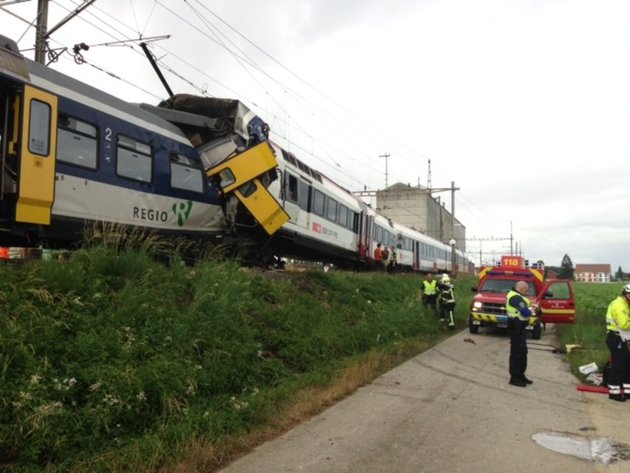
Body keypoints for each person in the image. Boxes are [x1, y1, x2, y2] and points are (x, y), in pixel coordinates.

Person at [505, 281, 535, 387]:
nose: (526, 292)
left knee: (523, 351)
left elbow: (525, 309)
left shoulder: (518, 296)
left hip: (520, 327)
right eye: (526, 290)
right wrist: (532, 310)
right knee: (517, 352)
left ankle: (521, 375)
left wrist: (531, 308)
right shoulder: (515, 297)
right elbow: (525, 312)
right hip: (516, 326)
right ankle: (514, 378)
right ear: (521, 288)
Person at [605, 284, 630, 402]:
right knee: (618, 366)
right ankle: (614, 393)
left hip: (621, 338)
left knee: (626, 364)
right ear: (626, 294)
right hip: (616, 338)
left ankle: (627, 391)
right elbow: (624, 324)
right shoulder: (620, 306)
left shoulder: (624, 304)